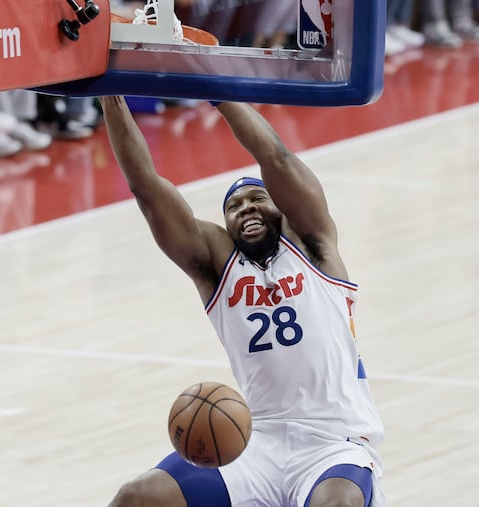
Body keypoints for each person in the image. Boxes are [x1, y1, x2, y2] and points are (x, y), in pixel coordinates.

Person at [99, 96, 385, 507]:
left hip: (333, 441)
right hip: (258, 441)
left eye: (257, 199)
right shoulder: (217, 266)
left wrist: (220, 94)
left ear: (280, 209)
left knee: (336, 504)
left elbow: (277, 158)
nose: (246, 207)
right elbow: (145, 186)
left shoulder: (313, 244)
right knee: (137, 497)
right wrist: (112, 96)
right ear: (226, 224)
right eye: (234, 206)